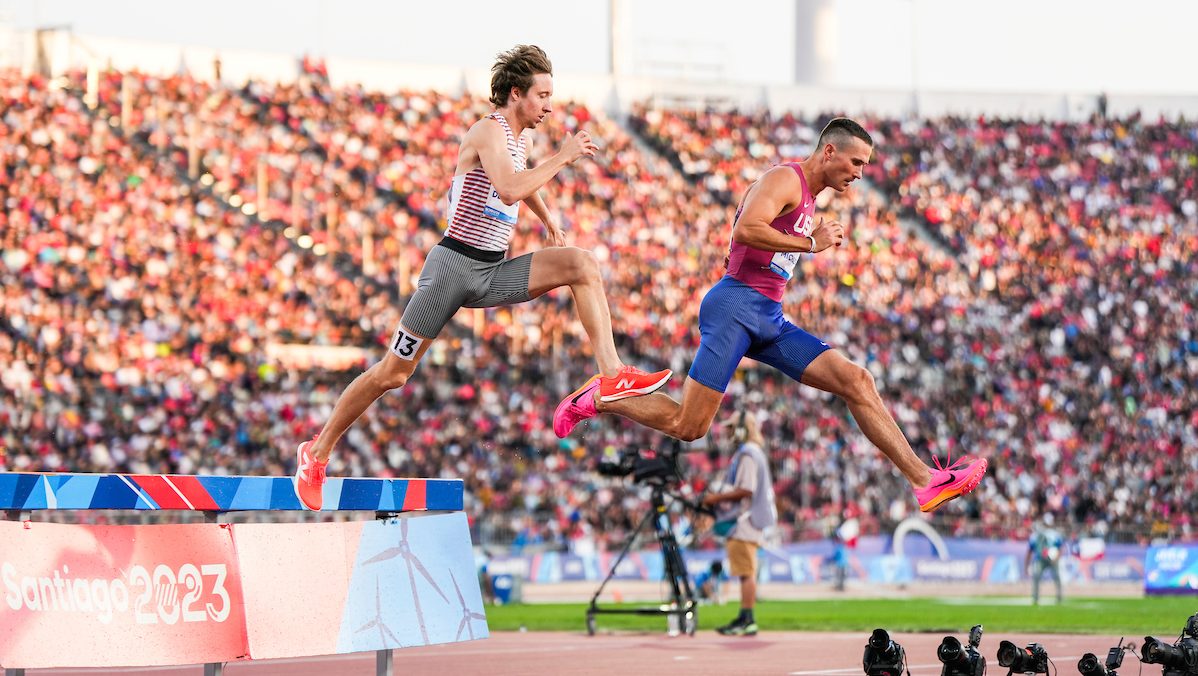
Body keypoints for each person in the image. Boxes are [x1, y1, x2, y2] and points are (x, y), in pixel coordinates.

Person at [294, 45, 671, 510]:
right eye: (543, 95)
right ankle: (317, 451)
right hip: (453, 268)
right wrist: (565, 156)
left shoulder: (522, 140)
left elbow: (520, 178)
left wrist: (549, 218)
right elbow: (511, 188)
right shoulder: (487, 132)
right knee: (393, 374)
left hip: (492, 271)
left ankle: (611, 375)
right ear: (516, 94)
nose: (550, 106)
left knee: (582, 264)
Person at [554, 117, 987, 513]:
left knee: (857, 380)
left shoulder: (812, 199)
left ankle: (924, 481)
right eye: (855, 162)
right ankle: (599, 397)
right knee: (687, 425)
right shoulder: (785, 179)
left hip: (768, 318)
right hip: (736, 307)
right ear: (829, 152)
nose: (859, 173)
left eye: (865, 166)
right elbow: (745, 230)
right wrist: (811, 245)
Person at [704, 409, 776, 637]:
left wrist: (716, 498)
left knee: (746, 572)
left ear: (743, 430)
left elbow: (746, 489)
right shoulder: (753, 452)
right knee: (746, 572)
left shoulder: (747, 454)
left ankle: (747, 619)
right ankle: (746, 617)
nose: (729, 433)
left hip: (744, 521)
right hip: (750, 519)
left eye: (732, 428)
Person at [1025, 512, 1065, 605]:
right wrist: (1026, 565)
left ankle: (1059, 597)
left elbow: (1060, 548)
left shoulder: (1055, 535)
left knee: (1057, 577)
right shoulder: (1035, 535)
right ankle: (1035, 597)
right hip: (1040, 559)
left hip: (1052, 559)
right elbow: (1030, 550)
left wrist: (1056, 558)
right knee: (1036, 576)